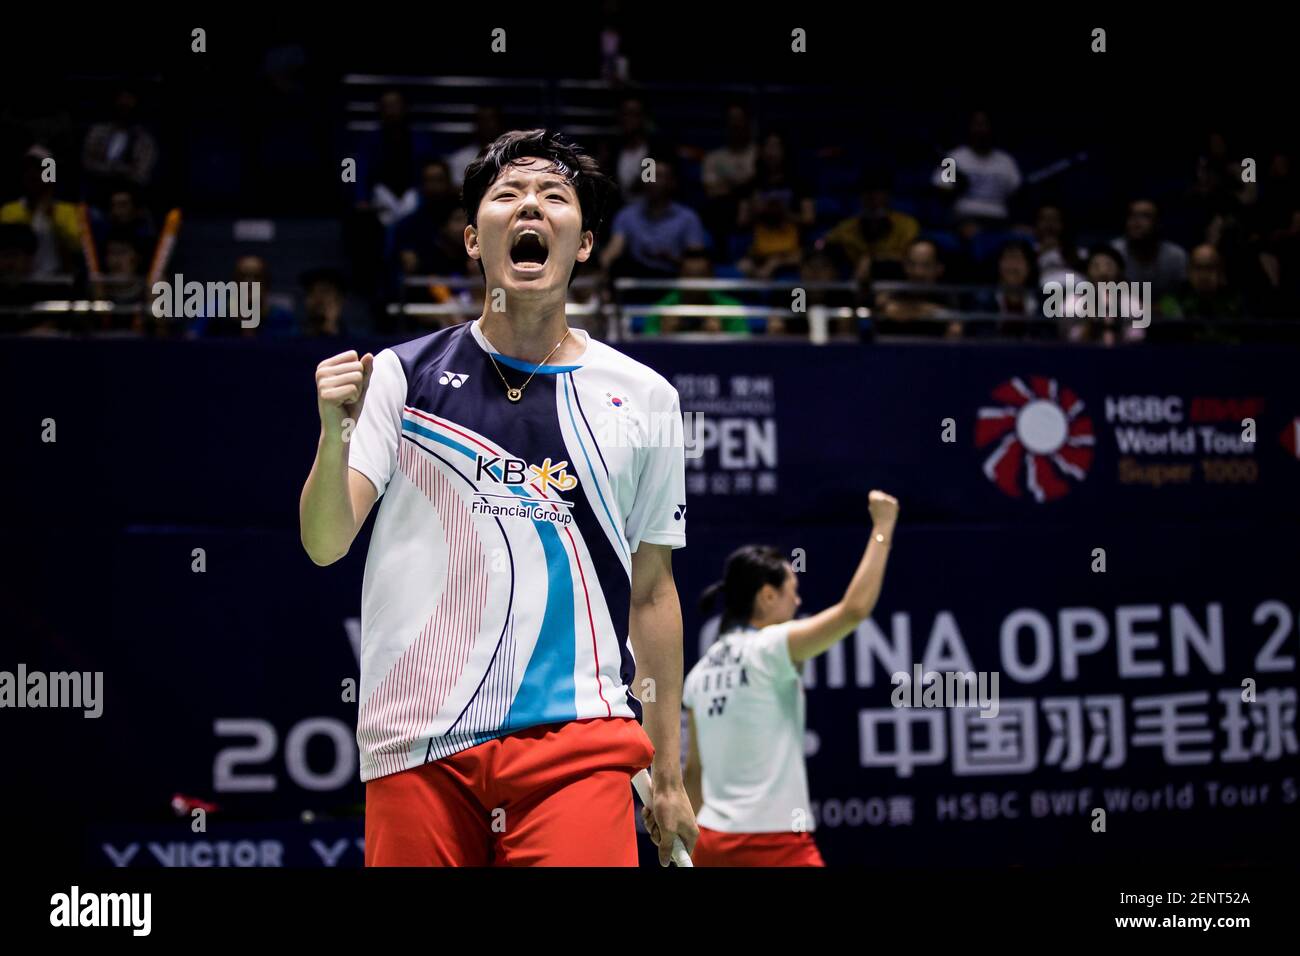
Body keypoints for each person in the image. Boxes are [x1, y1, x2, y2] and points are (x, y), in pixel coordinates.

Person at [299, 129, 697, 866]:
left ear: (582, 246)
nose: (531, 208)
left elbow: (652, 593)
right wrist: (332, 437)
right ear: (472, 240)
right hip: (418, 739)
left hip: (576, 739)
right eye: (507, 195)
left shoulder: (646, 398)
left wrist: (668, 773)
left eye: (555, 197)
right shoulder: (400, 376)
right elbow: (325, 542)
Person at [681, 490, 900, 866]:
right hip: (773, 843)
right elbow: (853, 611)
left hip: (711, 843)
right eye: (792, 593)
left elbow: (694, 773)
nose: (798, 604)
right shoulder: (771, 646)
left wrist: (687, 848)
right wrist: (883, 527)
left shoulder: (699, 673)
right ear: (767, 596)